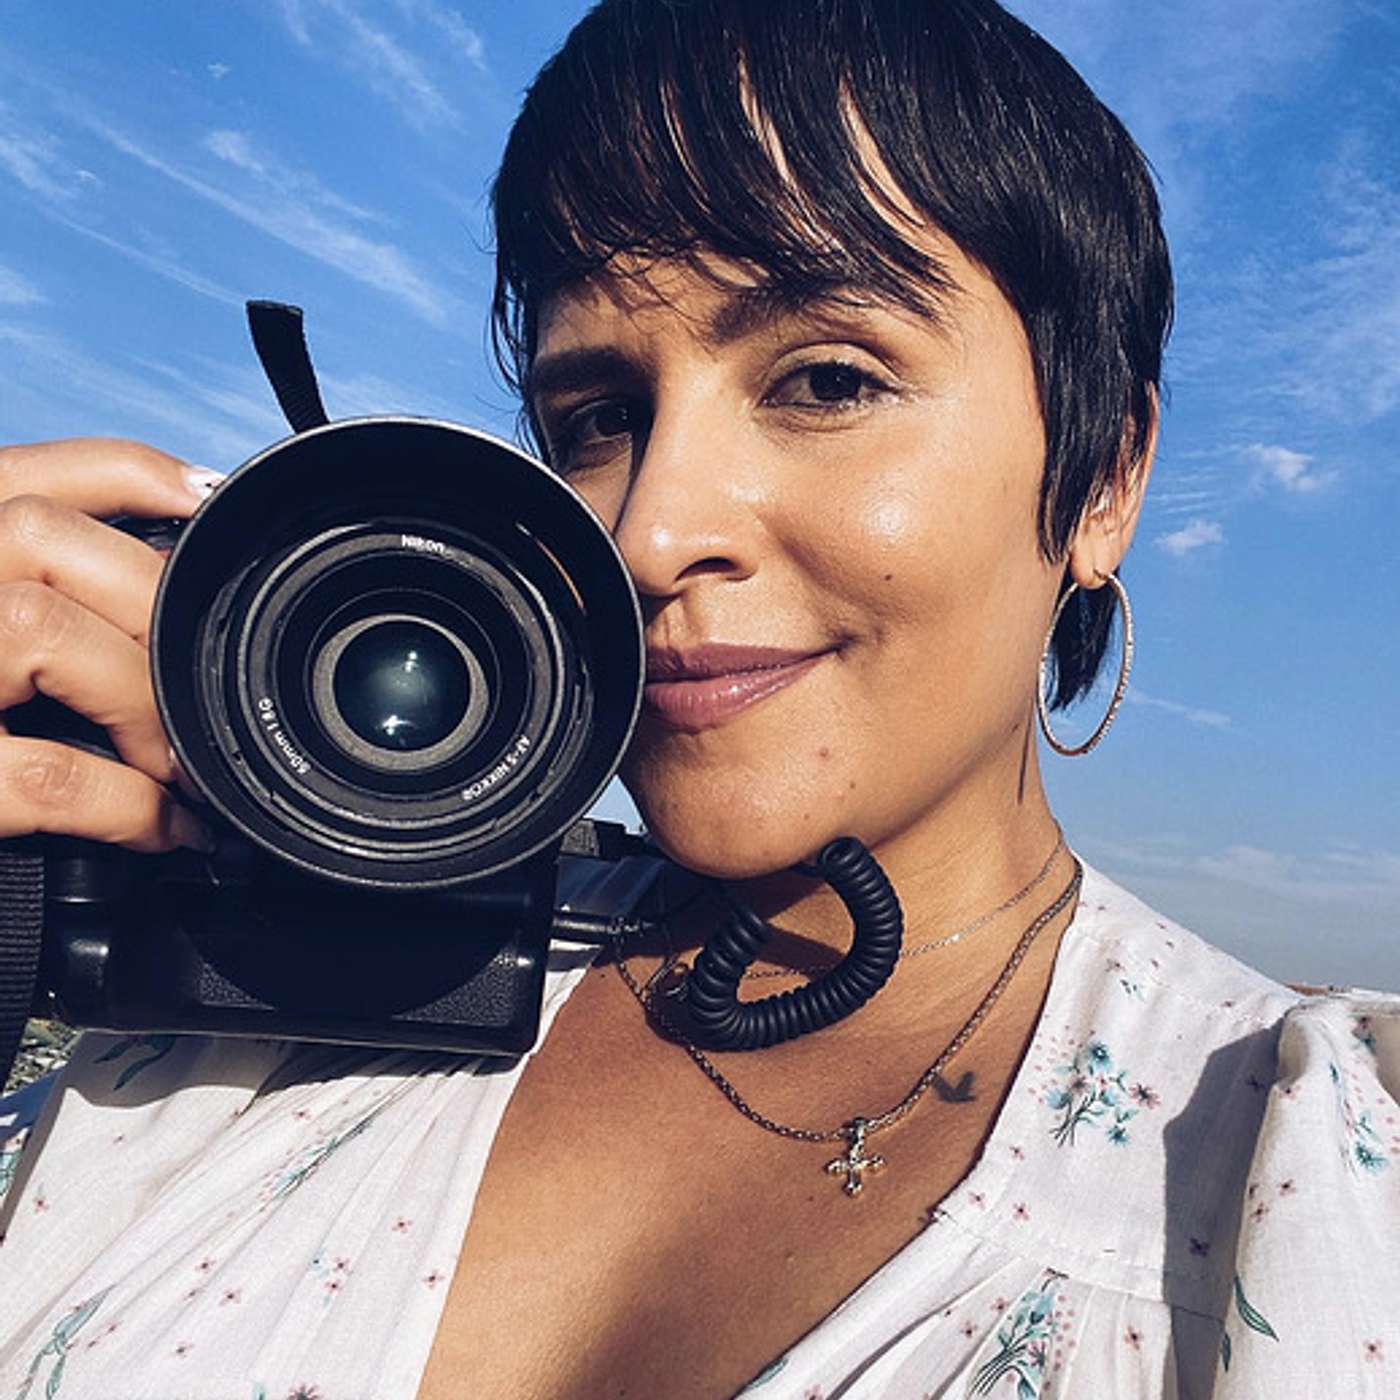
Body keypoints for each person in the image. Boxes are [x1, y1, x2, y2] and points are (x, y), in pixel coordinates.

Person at [0, 1, 1396, 1396]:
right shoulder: (283, 958)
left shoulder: (1306, 1180)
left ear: (1104, 480)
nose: (650, 534)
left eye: (827, 380)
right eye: (598, 418)